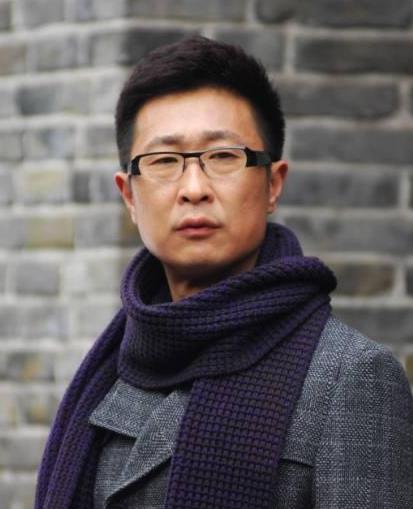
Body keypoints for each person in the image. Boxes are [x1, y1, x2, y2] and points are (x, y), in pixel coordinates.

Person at [35, 36, 413, 509]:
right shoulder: (108, 369)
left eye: (223, 157)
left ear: (273, 184)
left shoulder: (350, 376)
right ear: (129, 195)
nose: (194, 188)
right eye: (164, 161)